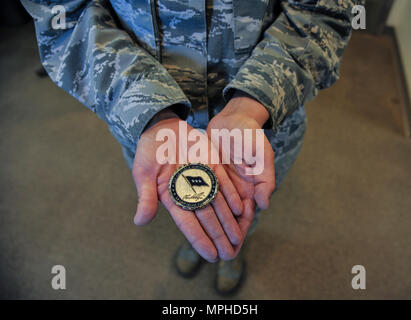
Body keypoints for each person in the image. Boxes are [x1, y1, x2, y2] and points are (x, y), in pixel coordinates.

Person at [22, 0, 360, 295]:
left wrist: (252, 102)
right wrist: (151, 112)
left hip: (261, 123)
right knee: (178, 200)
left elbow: (322, 12)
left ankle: (235, 247)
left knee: (244, 203)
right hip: (148, 129)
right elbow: (65, 15)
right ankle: (194, 238)